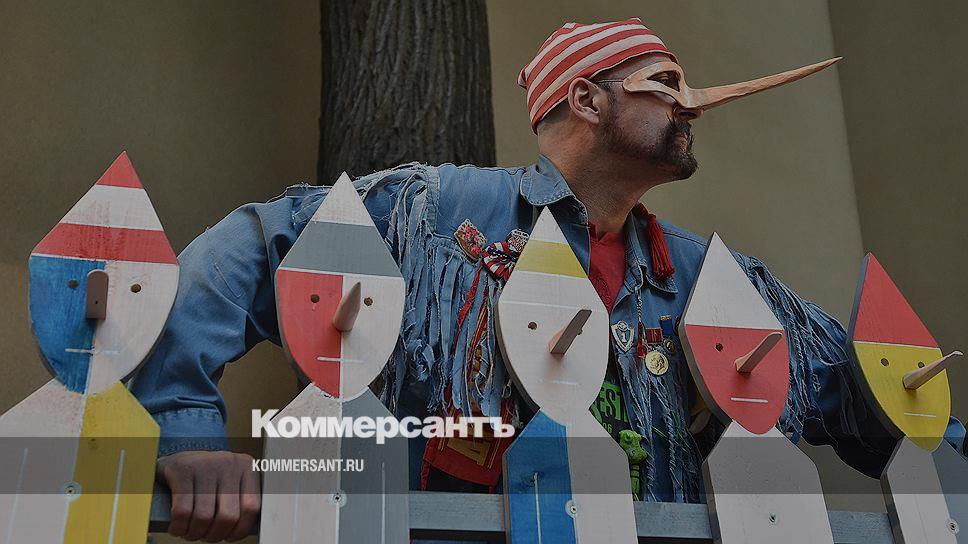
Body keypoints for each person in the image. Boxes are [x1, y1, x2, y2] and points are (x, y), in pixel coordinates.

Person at [133, 18, 966, 542]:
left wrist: (948, 475)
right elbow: (254, 247)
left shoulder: (711, 280)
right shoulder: (433, 213)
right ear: (587, 100)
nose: (691, 104)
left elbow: (868, 394)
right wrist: (186, 431)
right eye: (664, 84)